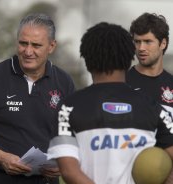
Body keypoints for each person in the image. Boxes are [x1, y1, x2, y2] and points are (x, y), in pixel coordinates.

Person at [47, 22, 173, 184]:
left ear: (87, 60)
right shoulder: (154, 107)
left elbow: (68, 171)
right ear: (129, 59)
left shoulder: (67, 108)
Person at [0, 13, 75, 184]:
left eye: (36, 45)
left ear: (51, 46)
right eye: (23, 43)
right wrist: (1, 157)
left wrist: (64, 163)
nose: (28, 51)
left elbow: (70, 134)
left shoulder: (64, 82)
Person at [126, 13, 173, 183]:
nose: (141, 48)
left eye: (147, 41)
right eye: (137, 42)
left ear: (163, 43)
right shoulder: (122, 83)